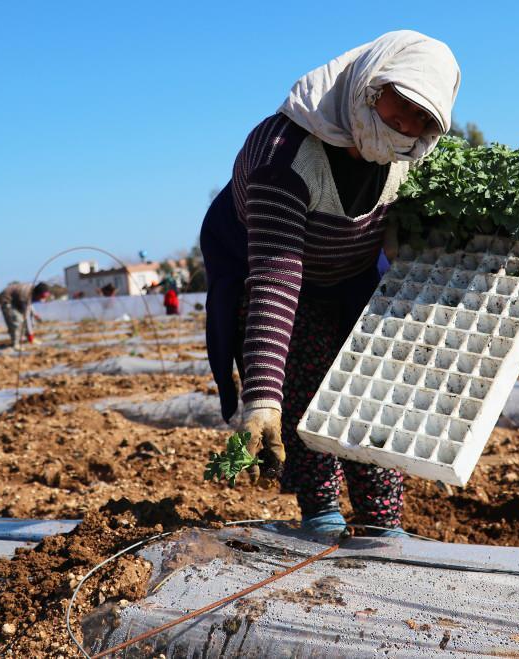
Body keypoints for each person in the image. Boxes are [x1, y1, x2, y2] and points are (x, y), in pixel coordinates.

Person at [201, 30, 460, 537]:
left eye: (423, 120)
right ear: (369, 85)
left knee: (369, 388)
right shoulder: (283, 153)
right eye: (398, 106)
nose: (405, 125)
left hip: (352, 275)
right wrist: (262, 400)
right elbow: (278, 275)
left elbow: (402, 244)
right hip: (270, 272)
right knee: (303, 387)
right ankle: (321, 516)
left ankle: (382, 526)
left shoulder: (409, 161)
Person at [0, 281, 51, 349]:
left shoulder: (32, 293)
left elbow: (29, 305)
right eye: (42, 297)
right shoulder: (25, 294)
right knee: (17, 321)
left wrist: (35, 314)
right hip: (7, 300)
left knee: (30, 320)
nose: (43, 300)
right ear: (38, 294)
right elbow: (27, 316)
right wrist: (30, 336)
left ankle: (29, 338)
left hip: (17, 301)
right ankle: (16, 344)